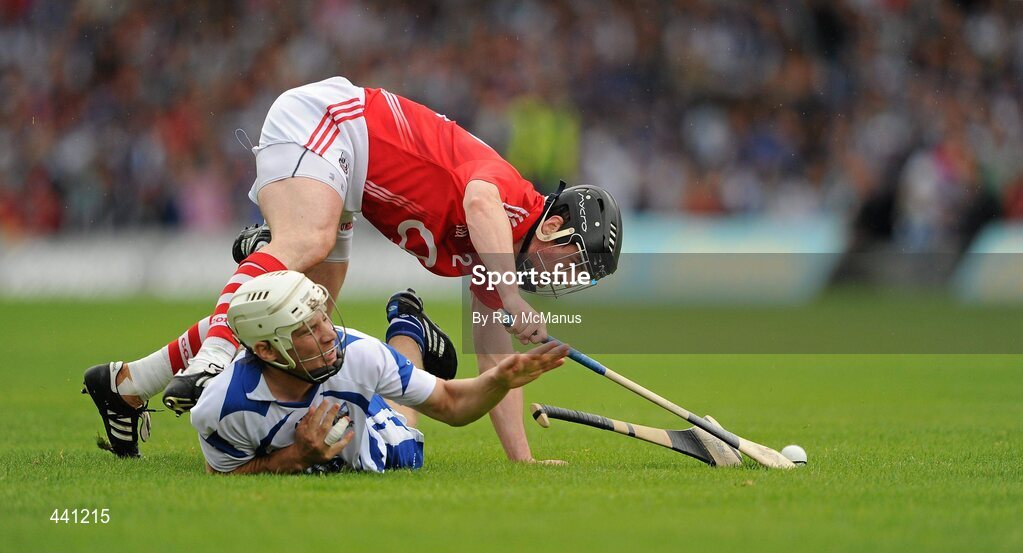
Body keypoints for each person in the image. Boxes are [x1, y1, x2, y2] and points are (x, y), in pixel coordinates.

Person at [82, 76, 622, 462]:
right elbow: (479, 204)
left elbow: (494, 356)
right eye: (573, 265)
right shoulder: (509, 202)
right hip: (332, 124)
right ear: (552, 227)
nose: (565, 281)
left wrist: (522, 462)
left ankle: (128, 385)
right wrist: (513, 297)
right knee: (306, 243)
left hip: (346, 184)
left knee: (306, 318)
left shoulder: (494, 257)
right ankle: (218, 351)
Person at [191, 271, 567, 474]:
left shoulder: (355, 353)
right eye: (307, 329)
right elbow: (222, 471)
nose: (327, 335)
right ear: (266, 350)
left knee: (402, 448)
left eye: (323, 318)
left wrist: (497, 380)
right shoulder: (221, 407)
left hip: (359, 398)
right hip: (345, 392)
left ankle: (407, 329)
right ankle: (407, 331)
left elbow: (451, 404)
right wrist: (294, 458)